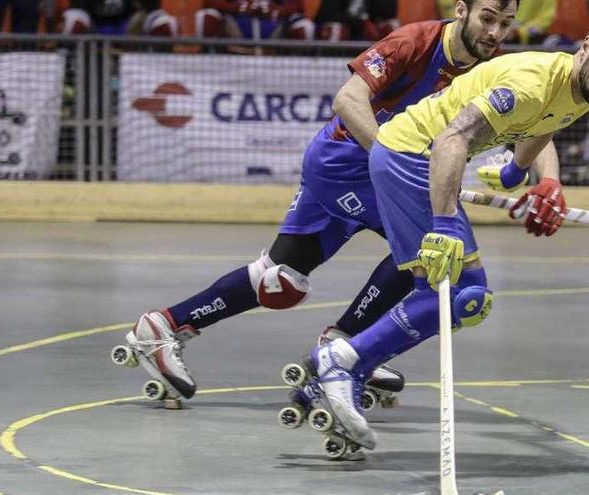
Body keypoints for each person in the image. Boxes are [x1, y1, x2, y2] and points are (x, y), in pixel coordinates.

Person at [118, 0, 519, 406]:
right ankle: (346, 348)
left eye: (506, 24)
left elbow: (535, 121)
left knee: (279, 282)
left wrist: (546, 183)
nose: (495, 33)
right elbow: (347, 100)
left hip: (367, 166)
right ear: (461, 10)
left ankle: (164, 326)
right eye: (488, 19)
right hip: (345, 164)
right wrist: (390, 157)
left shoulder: (495, 66)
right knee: (423, 247)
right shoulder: (416, 42)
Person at [303, 9, 589, 451]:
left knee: (449, 297)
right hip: (411, 157)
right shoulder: (530, 83)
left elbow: (543, 127)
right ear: (585, 47)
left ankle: (345, 369)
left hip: (413, 159)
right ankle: (344, 360)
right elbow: (454, 139)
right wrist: (446, 224)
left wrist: (524, 174)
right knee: (461, 296)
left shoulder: (584, 89)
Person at [195, 0, 315, 41]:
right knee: (206, 17)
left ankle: (301, 68)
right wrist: (237, 8)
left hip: (275, 26)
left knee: (304, 26)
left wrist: (276, 11)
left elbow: (298, 6)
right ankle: (209, 61)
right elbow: (210, 2)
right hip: (236, 25)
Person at [61, 0, 178, 36]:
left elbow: (153, 11)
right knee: (72, 20)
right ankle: (71, 80)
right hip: (94, 29)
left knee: (165, 23)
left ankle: (157, 73)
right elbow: (78, 11)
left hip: (130, 29)